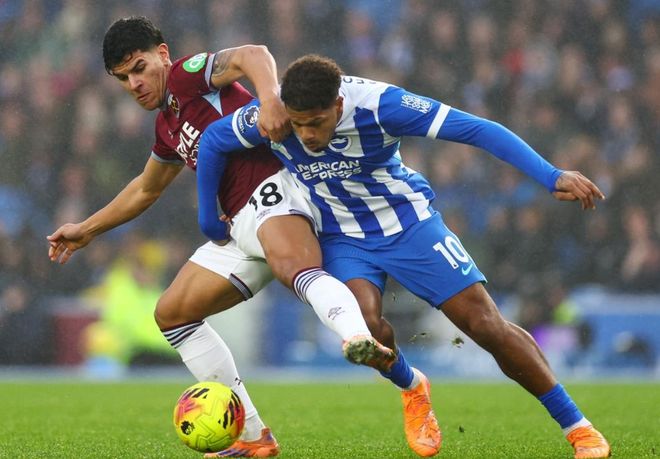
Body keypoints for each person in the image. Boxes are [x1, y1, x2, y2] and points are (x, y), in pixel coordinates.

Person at [197, 54, 611, 458]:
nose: (305, 134)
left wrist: (550, 175)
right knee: (362, 326)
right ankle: (412, 386)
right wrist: (210, 220)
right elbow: (214, 140)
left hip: (409, 225)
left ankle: (578, 427)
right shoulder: (272, 115)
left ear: (338, 105)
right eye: (298, 123)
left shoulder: (380, 106)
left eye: (316, 122)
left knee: (484, 324)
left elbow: (477, 129)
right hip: (341, 237)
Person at [47, 19, 395, 458]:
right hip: (238, 226)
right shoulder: (167, 126)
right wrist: (86, 229)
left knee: (298, 272)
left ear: (162, 54)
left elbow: (254, 54)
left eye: (139, 68)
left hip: (275, 193)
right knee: (172, 315)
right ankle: (254, 436)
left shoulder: (186, 75)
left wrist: (270, 101)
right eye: (123, 78)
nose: (134, 84)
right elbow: (146, 189)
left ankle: (356, 336)